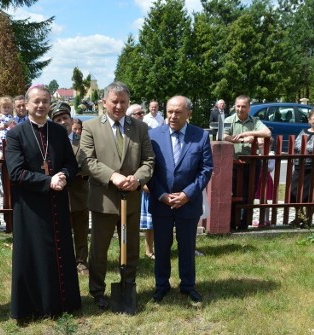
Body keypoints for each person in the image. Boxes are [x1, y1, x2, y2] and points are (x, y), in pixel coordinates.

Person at [5, 85, 81, 321]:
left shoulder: (58, 131)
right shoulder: (16, 134)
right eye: (36, 101)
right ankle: (34, 307)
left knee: (60, 251)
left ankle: (63, 303)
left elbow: (71, 163)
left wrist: (64, 176)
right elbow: (15, 173)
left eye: (45, 101)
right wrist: (48, 181)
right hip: (30, 205)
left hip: (57, 200)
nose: (41, 106)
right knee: (35, 253)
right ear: (26, 104)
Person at [78, 81, 155, 310]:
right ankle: (97, 291)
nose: (119, 106)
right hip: (104, 200)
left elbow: (149, 161)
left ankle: (128, 285)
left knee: (130, 246)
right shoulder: (91, 127)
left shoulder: (139, 128)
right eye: (114, 101)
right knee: (99, 249)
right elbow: (86, 161)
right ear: (104, 103)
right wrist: (113, 176)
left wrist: (137, 178)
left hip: (131, 198)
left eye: (123, 102)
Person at [147, 96, 213, 304]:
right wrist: (161, 195)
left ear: (188, 114)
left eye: (178, 112)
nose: (173, 116)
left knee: (186, 246)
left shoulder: (200, 136)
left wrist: (187, 194)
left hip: (188, 203)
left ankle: (188, 286)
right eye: (170, 111)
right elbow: (150, 170)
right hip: (161, 202)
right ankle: (161, 286)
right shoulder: (153, 135)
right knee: (162, 246)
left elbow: (206, 169)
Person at [50, 103, 90, 275]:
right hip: (57, 195)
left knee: (81, 231)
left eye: (65, 118)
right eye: (58, 119)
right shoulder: (49, 143)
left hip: (79, 192)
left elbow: (90, 164)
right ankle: (62, 261)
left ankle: (81, 262)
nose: (62, 122)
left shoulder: (83, 141)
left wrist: (76, 172)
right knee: (60, 231)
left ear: (71, 119)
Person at [223, 95, 271, 230]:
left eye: (243, 106)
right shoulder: (228, 120)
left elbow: (267, 133)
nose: (240, 109)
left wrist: (248, 133)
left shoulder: (255, 121)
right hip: (234, 163)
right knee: (232, 194)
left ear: (249, 108)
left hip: (252, 164)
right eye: (238, 106)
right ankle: (231, 223)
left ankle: (244, 223)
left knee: (249, 194)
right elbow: (222, 135)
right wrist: (241, 140)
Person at [126, 104, 154, 259]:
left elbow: (150, 159)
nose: (142, 115)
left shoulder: (147, 131)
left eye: (143, 113)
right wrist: (140, 183)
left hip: (147, 181)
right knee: (136, 223)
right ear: (130, 116)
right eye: (138, 113)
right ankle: (134, 254)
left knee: (151, 222)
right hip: (133, 185)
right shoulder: (127, 134)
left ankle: (149, 250)